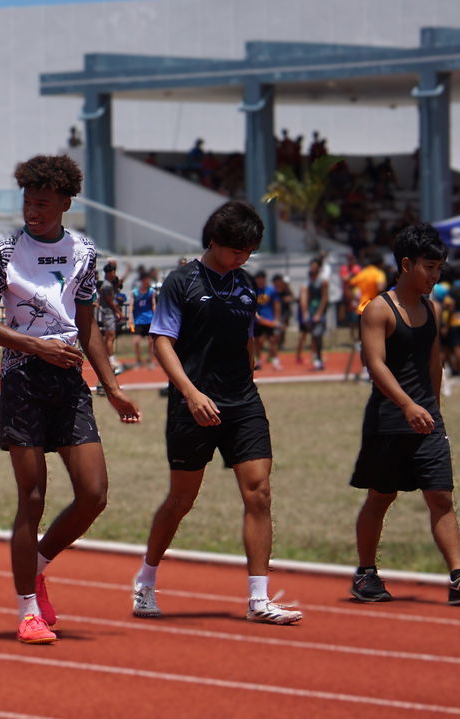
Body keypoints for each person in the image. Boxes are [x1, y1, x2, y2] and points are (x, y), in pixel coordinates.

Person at [0, 154, 141, 644]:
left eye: (43, 203)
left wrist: (112, 387)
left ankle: (38, 564)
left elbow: (87, 326)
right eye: (28, 201)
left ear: (66, 203)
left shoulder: (83, 250)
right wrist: (35, 345)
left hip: (68, 383)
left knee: (94, 494)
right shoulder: (4, 249)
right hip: (23, 380)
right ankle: (28, 611)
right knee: (33, 498)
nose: (32, 211)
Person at [134, 200, 303, 626]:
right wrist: (191, 394)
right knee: (181, 499)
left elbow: (247, 336)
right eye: (237, 250)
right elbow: (162, 342)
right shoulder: (181, 281)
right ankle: (146, 580)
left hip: (243, 401)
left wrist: (249, 372)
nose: (243, 258)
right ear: (214, 241)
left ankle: (259, 599)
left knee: (259, 492)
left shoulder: (246, 282)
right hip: (193, 404)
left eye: (249, 252)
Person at [349, 224, 460, 606]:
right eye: (429, 267)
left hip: (426, 418)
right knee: (381, 497)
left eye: (439, 268)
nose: (435, 276)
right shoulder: (378, 309)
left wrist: (433, 407)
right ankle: (366, 573)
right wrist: (407, 405)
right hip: (389, 419)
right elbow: (375, 364)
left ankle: (459, 578)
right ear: (406, 265)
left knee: (440, 496)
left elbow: (435, 362)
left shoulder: (432, 309)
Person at [344, 255, 387, 380]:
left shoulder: (362, 273)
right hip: (375, 310)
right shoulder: (379, 273)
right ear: (380, 264)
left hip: (362, 309)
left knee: (364, 341)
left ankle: (365, 370)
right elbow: (380, 287)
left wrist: (352, 299)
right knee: (378, 341)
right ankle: (377, 369)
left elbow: (349, 285)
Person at [295, 258, 329, 370]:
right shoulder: (308, 282)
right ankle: (317, 358)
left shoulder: (323, 281)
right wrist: (305, 313)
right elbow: (305, 297)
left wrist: (319, 313)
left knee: (317, 335)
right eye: (311, 266)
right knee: (314, 336)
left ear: (318, 268)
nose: (312, 268)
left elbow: (324, 298)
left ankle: (318, 358)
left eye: (314, 266)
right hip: (310, 312)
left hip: (319, 312)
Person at [251, 271, 279, 371]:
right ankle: (258, 361)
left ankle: (275, 361)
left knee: (272, 340)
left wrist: (276, 318)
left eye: (262, 279)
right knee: (258, 341)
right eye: (258, 279)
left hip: (269, 319)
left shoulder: (271, 290)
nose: (261, 281)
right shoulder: (253, 291)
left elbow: (276, 304)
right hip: (257, 320)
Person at [129, 271, 156, 371]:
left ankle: (150, 361)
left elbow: (153, 304)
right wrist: (130, 318)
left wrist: (156, 317)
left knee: (151, 342)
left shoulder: (151, 292)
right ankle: (138, 361)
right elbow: (131, 306)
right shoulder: (134, 293)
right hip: (138, 321)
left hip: (149, 319)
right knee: (136, 342)